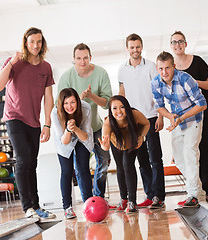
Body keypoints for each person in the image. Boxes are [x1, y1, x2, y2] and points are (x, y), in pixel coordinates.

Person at [0, 27, 55, 219]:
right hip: (14, 117)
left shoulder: (45, 67)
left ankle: (36, 206)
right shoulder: (14, 63)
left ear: (42, 43)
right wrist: (11, 62)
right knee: (23, 160)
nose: (35, 45)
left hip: (34, 121)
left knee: (32, 163)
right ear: (25, 43)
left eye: (38, 42)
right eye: (31, 42)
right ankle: (27, 207)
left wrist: (47, 124)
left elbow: (48, 97)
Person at [57, 43, 112, 201]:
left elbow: (107, 103)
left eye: (85, 58)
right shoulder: (67, 77)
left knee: (104, 161)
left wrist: (90, 96)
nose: (82, 62)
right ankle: (89, 200)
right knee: (81, 168)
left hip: (96, 126)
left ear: (90, 58)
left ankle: (99, 197)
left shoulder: (101, 73)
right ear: (73, 59)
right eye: (79, 58)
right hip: (76, 130)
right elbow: (59, 104)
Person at [151, 51, 207, 207]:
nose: (164, 72)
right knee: (180, 160)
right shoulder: (156, 83)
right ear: (157, 68)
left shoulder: (185, 79)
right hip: (176, 121)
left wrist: (180, 118)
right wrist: (170, 116)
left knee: (190, 154)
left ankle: (192, 195)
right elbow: (159, 107)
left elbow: (202, 104)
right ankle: (199, 192)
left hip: (193, 121)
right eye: (161, 68)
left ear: (174, 67)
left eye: (167, 68)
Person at [170, 31, 208, 204]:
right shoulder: (170, 67)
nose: (178, 45)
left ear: (185, 43)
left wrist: (192, 81)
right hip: (184, 115)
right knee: (189, 153)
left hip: (204, 109)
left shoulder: (197, 61)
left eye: (180, 41)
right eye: (174, 42)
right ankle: (195, 189)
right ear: (171, 46)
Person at [118, 33, 165, 208]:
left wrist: (161, 115)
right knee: (142, 160)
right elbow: (122, 94)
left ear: (142, 46)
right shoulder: (122, 69)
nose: (135, 50)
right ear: (127, 48)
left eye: (138, 47)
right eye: (132, 47)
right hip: (132, 122)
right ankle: (149, 194)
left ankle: (158, 196)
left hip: (151, 117)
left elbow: (158, 92)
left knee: (155, 159)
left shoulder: (151, 67)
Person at [99, 95, 150, 214]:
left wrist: (142, 136)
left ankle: (132, 201)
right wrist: (104, 146)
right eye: (115, 108)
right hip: (116, 142)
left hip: (132, 139)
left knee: (128, 165)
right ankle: (124, 199)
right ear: (110, 111)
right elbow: (105, 144)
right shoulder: (108, 122)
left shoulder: (135, 114)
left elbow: (146, 124)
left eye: (122, 107)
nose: (119, 111)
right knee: (120, 167)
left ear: (127, 107)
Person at [51, 88, 93, 219]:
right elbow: (64, 141)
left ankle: (88, 205)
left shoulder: (86, 108)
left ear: (78, 102)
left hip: (81, 136)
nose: (69, 106)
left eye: (73, 102)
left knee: (83, 169)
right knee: (67, 171)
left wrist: (75, 128)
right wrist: (69, 130)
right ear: (61, 104)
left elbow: (85, 136)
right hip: (64, 138)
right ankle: (67, 207)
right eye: (66, 103)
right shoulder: (55, 113)